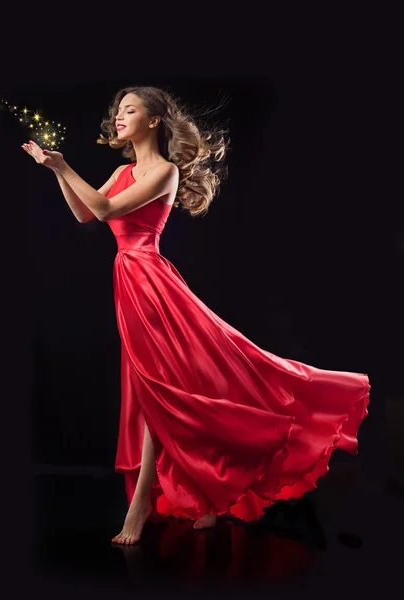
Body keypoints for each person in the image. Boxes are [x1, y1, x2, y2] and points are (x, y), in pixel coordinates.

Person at [22, 85, 370, 546]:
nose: (119, 116)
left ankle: (142, 502)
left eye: (130, 109)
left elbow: (105, 209)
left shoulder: (164, 171)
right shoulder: (122, 169)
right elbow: (86, 215)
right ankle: (208, 494)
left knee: (159, 388)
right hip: (129, 279)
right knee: (168, 390)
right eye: (117, 110)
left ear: (153, 121)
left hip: (151, 281)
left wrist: (65, 166)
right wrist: (55, 173)